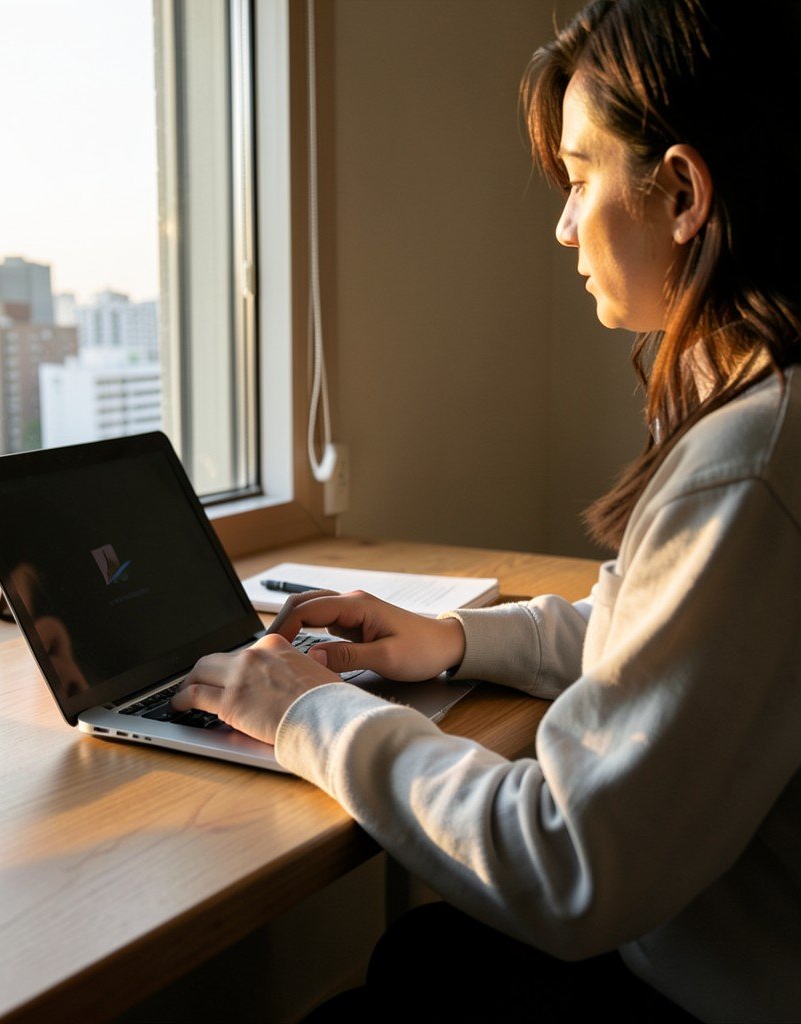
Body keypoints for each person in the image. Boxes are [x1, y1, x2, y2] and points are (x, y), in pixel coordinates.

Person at [171, 1, 801, 1019]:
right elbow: (661, 636)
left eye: (581, 173)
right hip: (706, 943)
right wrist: (453, 640)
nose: (561, 225)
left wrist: (305, 711)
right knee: (423, 954)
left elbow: (567, 860)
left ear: (681, 191)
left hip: (710, 987)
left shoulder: (750, 462)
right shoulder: (760, 411)